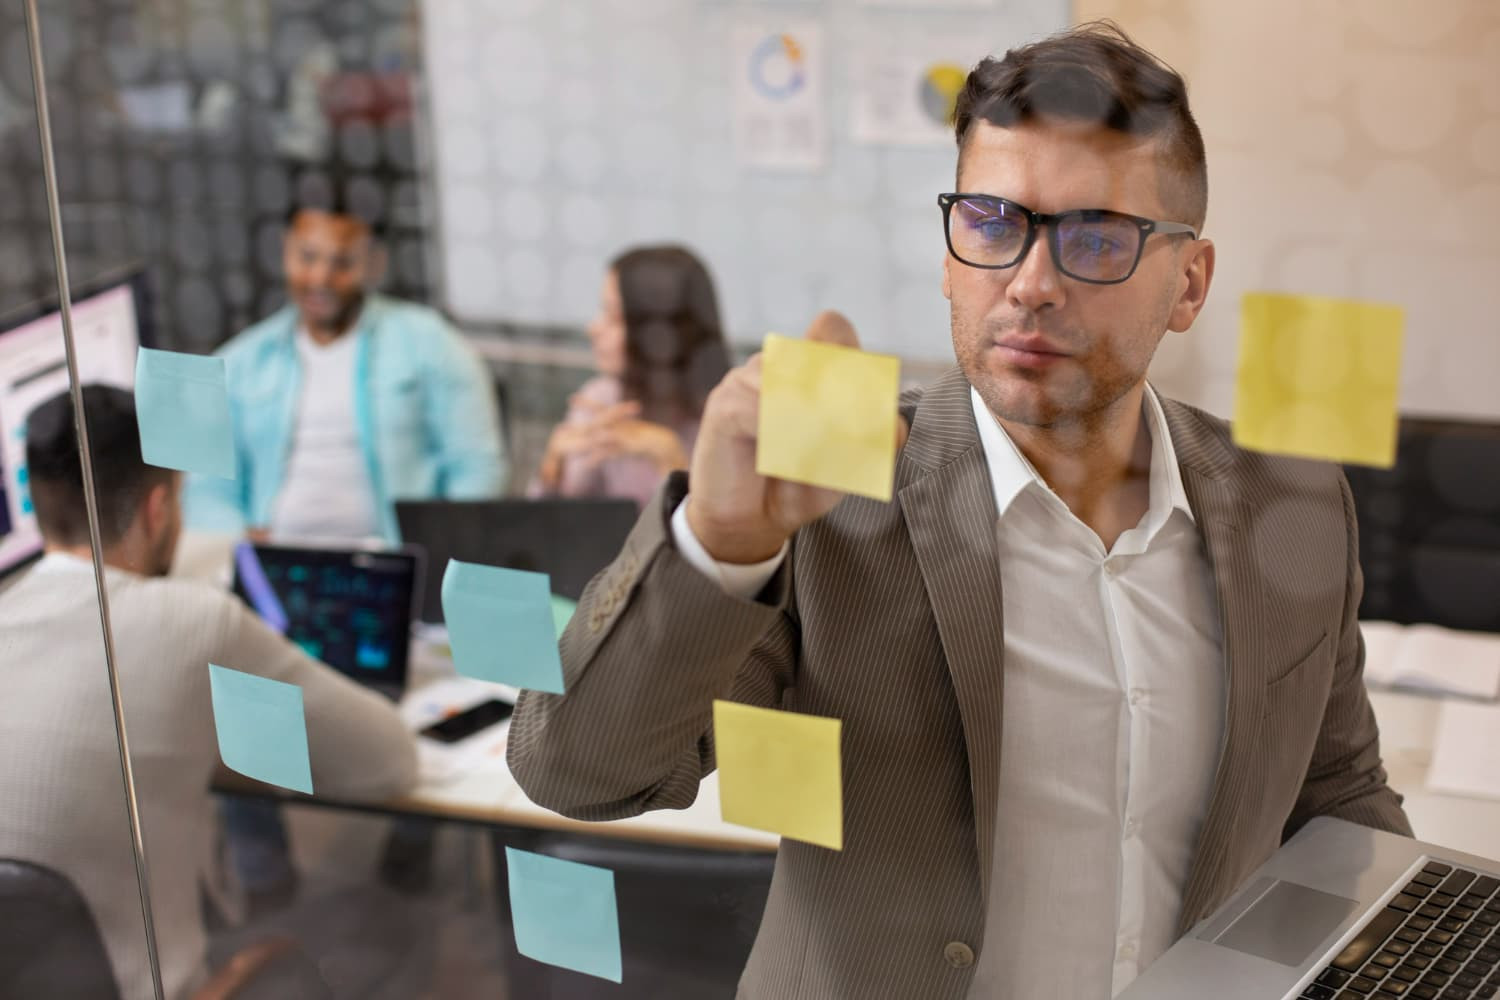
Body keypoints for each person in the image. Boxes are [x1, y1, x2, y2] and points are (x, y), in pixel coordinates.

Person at [508, 23, 1411, 1000]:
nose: (1030, 283)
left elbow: (1337, 797)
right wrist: (719, 545)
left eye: (1097, 238)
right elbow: (578, 771)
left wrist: (1410, 962)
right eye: (990, 222)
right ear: (948, 253)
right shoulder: (834, 495)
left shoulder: (1295, 497)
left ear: (1188, 282)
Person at [0, 385, 418, 1000]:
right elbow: (387, 762)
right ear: (157, 509)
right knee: (382, 923)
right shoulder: (196, 623)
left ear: (36, 505)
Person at [184, 171, 506, 544]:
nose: (320, 277)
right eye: (307, 257)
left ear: (375, 263)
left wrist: (435, 552)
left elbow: (477, 467)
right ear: (285, 249)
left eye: (342, 263)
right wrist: (245, 546)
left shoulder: (432, 344)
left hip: (397, 567)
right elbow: (205, 491)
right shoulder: (239, 363)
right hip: (275, 572)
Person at [531, 245, 731, 510]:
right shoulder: (601, 399)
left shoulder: (729, 417)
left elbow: (728, 541)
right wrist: (554, 467)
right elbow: (552, 529)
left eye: (615, 318)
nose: (593, 328)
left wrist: (671, 461)